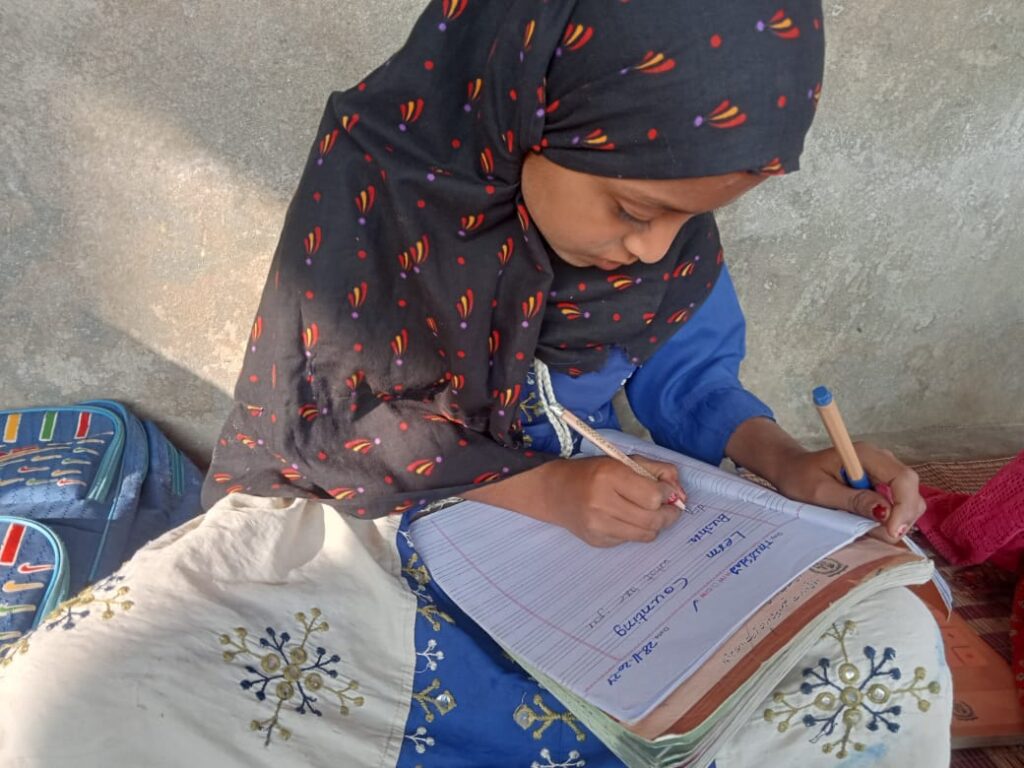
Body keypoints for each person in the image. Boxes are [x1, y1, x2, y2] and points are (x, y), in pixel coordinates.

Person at [0, 2, 951, 766]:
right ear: (533, 107)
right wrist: (547, 489)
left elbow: (687, 372)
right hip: (368, 515)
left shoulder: (657, 220)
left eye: (688, 221)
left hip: (610, 535)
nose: (655, 250)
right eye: (635, 209)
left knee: (885, 648)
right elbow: (333, 410)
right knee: (68, 699)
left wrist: (783, 461)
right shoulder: (380, 175)